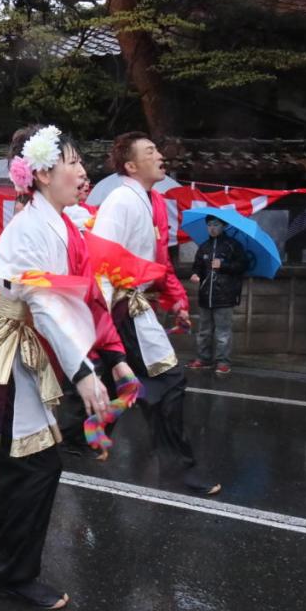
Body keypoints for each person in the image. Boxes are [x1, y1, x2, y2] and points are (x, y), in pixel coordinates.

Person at [0, 125, 112, 610]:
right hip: (11, 352)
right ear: (41, 174)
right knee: (36, 465)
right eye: (73, 162)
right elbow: (42, 304)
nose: (82, 172)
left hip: (26, 347)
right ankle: (15, 575)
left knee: (12, 461)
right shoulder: (30, 227)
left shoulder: (58, 221)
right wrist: (84, 372)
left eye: (82, 162)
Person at [91, 132, 221, 495]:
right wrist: (97, 322)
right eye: (150, 151)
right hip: (122, 306)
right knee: (167, 383)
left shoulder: (151, 201)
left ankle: (81, 436)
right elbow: (100, 262)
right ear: (131, 166)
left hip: (135, 304)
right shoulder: (121, 200)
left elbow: (159, 260)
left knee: (133, 383)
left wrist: (174, 299)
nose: (160, 155)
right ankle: (177, 471)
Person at [187, 216, 247, 375]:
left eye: (216, 225)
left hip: (225, 295)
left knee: (223, 332)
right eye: (209, 225)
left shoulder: (233, 245)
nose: (212, 228)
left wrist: (224, 265)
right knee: (204, 331)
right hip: (205, 295)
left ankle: (223, 362)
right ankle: (203, 359)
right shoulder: (204, 247)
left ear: (224, 226)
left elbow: (242, 266)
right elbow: (197, 267)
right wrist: (195, 275)